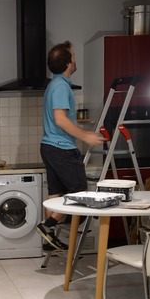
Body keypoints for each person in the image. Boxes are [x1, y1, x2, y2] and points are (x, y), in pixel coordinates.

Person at [36, 41, 104, 250]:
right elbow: (60, 119)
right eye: (73, 57)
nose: (75, 60)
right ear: (67, 63)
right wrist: (85, 136)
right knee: (80, 193)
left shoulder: (54, 84)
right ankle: (47, 226)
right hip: (61, 148)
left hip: (50, 147)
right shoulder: (61, 86)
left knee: (55, 194)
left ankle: (49, 239)